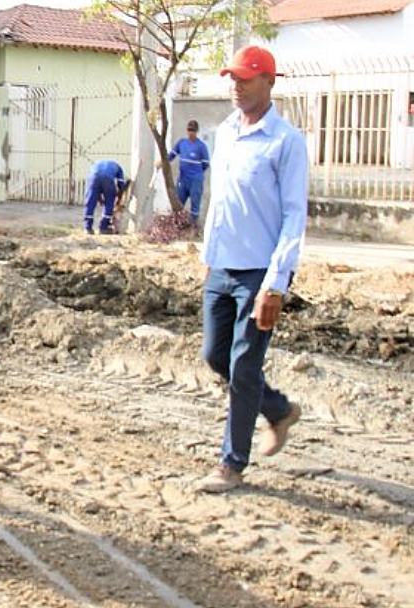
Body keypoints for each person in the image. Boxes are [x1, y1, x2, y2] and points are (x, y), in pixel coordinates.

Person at [197, 45, 307, 493]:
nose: (236, 86)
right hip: (222, 264)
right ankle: (278, 409)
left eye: (245, 78)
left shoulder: (285, 142)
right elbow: (219, 201)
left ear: (270, 82)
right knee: (215, 356)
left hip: (260, 272)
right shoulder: (224, 132)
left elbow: (294, 216)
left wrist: (276, 285)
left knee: (243, 367)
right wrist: (208, 257)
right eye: (233, 78)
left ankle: (231, 465)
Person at [168, 119, 210, 226]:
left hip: (195, 180)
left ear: (197, 131)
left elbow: (206, 164)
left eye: (193, 130)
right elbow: (171, 156)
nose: (191, 133)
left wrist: (197, 173)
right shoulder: (182, 143)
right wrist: (162, 161)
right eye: (189, 130)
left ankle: (192, 229)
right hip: (183, 178)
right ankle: (177, 227)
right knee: (178, 202)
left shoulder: (201, 146)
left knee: (195, 204)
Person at [82, 159, 126, 235]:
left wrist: (99, 198)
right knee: (109, 203)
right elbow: (121, 185)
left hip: (93, 177)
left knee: (90, 202)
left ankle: (87, 228)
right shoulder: (119, 168)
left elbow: (95, 188)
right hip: (108, 179)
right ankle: (103, 227)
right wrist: (119, 197)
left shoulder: (96, 164)